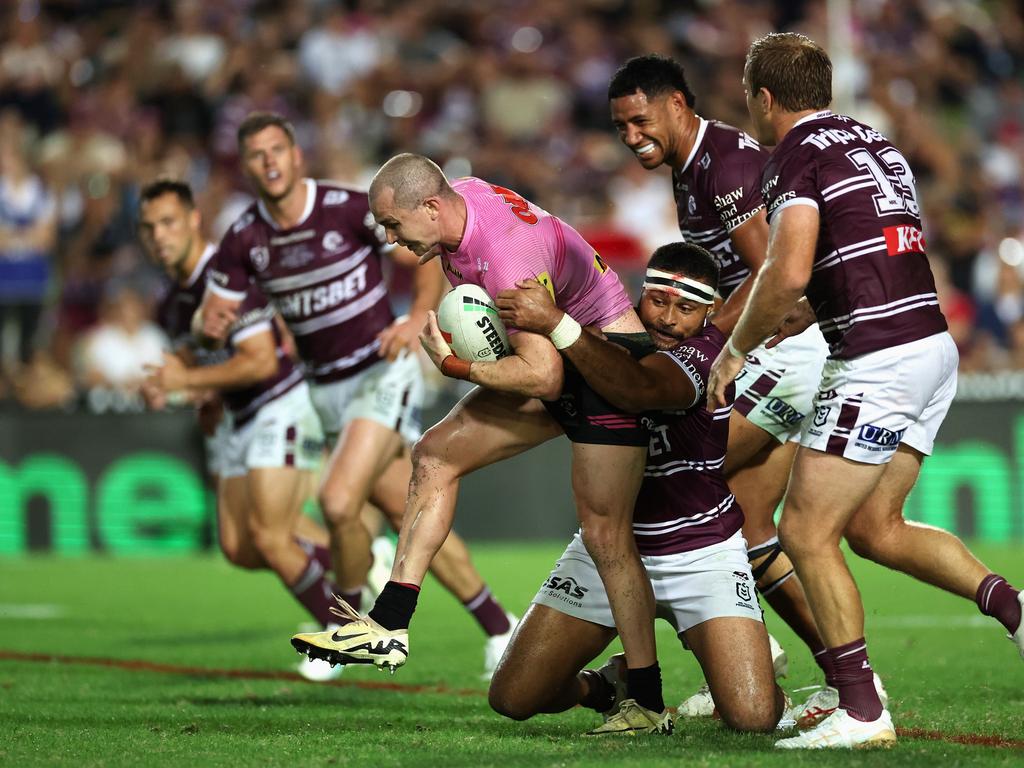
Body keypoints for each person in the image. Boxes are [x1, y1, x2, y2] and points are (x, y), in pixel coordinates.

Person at [706, 32, 1024, 749]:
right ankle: (1015, 609)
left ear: (763, 98)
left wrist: (734, 351)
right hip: (932, 345)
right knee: (875, 528)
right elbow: (861, 255)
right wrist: (807, 311)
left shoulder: (793, 155)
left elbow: (786, 270)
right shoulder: (873, 142)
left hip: (878, 359)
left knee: (803, 531)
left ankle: (860, 707)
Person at [292, 153, 671, 735]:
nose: (393, 241)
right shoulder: (457, 207)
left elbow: (542, 376)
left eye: (394, 226)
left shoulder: (502, 258)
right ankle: (390, 621)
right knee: (434, 453)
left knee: (607, 536)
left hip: (610, 367)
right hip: (561, 352)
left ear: (432, 206)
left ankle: (646, 698)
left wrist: (457, 365)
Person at [197, 113, 518, 678]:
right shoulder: (245, 237)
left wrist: (416, 317)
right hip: (322, 391)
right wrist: (211, 325)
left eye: (279, 149)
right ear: (244, 166)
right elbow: (217, 310)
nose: (269, 161)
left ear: (297, 156)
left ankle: (347, 627)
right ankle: (499, 626)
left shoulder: (346, 209)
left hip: (378, 373)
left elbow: (419, 255)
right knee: (407, 509)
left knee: (340, 501)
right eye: (256, 154)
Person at [606, 53, 838, 718]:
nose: (631, 136)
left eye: (639, 120)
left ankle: (738, 657)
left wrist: (708, 347)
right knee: (753, 526)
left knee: (669, 488)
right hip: (769, 354)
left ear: (678, 104)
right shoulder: (691, 171)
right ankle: (831, 677)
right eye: (620, 126)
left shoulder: (726, 164)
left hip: (783, 354)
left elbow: (773, 274)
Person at [489, 241, 785, 734]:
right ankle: (608, 687)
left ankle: (741, 650)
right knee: (515, 697)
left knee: (753, 717)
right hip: (608, 547)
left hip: (701, 553)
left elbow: (640, 389)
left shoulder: (707, 353)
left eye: (686, 308)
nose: (669, 319)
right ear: (637, 296)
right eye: (659, 301)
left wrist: (557, 325)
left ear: (709, 313)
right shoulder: (606, 338)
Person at [138, 178, 338, 679]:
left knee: (270, 538)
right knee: (238, 547)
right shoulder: (173, 301)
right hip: (235, 416)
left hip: (278, 402)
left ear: (192, 221)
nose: (159, 236)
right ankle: (357, 558)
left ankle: (343, 636)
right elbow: (203, 354)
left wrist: (189, 378)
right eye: (148, 228)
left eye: (167, 223)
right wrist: (192, 386)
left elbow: (259, 360)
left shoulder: (222, 277)